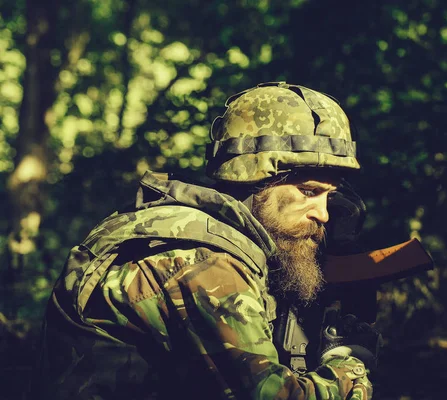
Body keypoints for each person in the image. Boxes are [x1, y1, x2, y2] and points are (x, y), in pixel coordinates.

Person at [36, 82, 381, 399]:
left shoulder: (192, 234)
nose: (323, 214)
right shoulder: (202, 262)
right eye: (308, 192)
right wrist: (350, 363)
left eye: (328, 197)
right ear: (257, 177)